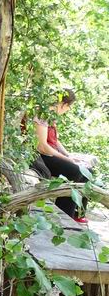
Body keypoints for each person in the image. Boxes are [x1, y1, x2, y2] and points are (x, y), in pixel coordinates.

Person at [34, 88, 97, 223]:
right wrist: (67, 159)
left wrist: (69, 155)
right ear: (62, 104)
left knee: (88, 171)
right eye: (68, 106)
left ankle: (77, 213)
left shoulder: (52, 117)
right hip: (42, 157)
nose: (67, 110)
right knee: (74, 171)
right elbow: (43, 146)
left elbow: (55, 141)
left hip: (52, 154)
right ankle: (64, 215)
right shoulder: (42, 115)